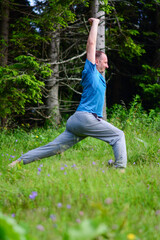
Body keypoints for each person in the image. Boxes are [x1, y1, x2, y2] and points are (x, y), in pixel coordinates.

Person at [9, 18, 127, 168]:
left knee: (54, 148)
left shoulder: (100, 78)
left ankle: (18, 162)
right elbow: (91, 45)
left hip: (78, 121)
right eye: (105, 62)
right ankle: (120, 170)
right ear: (96, 62)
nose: (107, 65)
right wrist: (95, 24)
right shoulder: (90, 71)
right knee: (118, 136)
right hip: (86, 118)